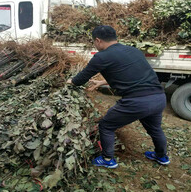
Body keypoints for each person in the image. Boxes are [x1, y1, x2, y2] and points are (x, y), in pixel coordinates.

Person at [67, 25, 170, 168]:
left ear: (98, 40)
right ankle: (162, 156)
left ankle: (108, 159)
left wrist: (69, 81)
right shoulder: (133, 51)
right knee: (155, 129)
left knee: (106, 125)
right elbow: (130, 75)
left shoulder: (101, 57)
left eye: (94, 42)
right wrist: (101, 82)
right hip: (158, 98)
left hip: (136, 102)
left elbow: (80, 79)